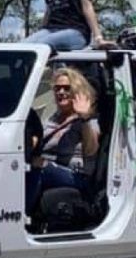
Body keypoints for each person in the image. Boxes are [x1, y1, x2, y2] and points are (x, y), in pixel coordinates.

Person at [25, 67, 100, 211]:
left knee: (40, 167)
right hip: (46, 167)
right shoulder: (52, 118)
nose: (61, 92)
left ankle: (21, 215)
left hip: (75, 175)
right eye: (57, 89)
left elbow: (92, 150)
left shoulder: (86, 120)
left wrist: (84, 118)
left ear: (77, 91)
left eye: (66, 88)